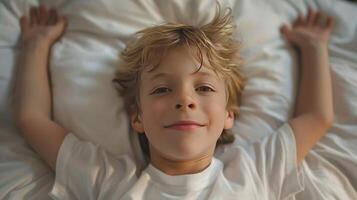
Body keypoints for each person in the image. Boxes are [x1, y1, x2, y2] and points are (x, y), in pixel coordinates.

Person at [13, 3, 334, 200]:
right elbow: (32, 119)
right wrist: (36, 45)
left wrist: (314, 47)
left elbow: (316, 117)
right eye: (162, 90)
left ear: (228, 115)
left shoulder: (254, 170)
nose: (184, 99)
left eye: (204, 88)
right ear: (136, 117)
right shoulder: (107, 179)